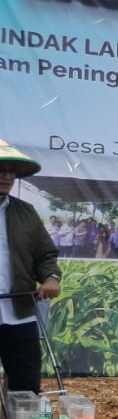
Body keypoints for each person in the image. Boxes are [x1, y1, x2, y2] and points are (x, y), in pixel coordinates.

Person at [0, 139, 62, 399]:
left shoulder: (25, 212)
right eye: (1, 170)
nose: (6, 177)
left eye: (11, 172)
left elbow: (45, 254)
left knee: (26, 390)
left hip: (19, 312)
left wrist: (51, 277)